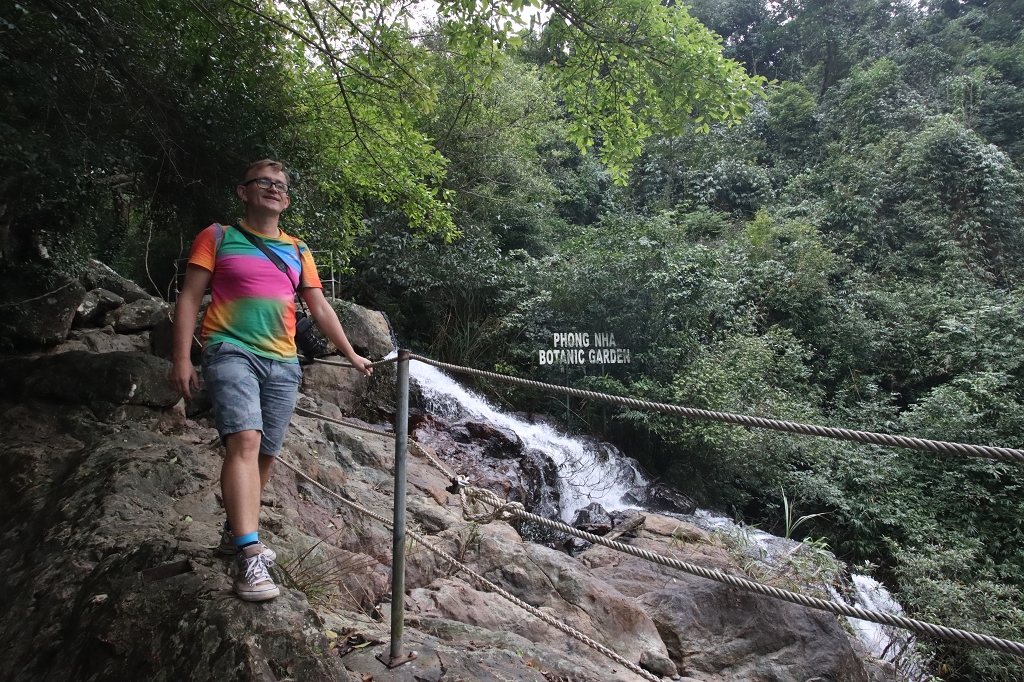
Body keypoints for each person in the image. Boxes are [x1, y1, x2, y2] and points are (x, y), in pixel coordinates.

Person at [170, 159, 373, 601]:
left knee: (265, 454)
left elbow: (320, 308)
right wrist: (182, 358)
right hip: (230, 349)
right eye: (263, 182)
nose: (273, 189)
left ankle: (234, 532)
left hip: (283, 361)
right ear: (243, 192)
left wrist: (351, 353)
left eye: (280, 185)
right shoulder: (218, 236)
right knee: (245, 440)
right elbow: (189, 297)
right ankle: (249, 556)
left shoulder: (298, 249)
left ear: (287, 199)